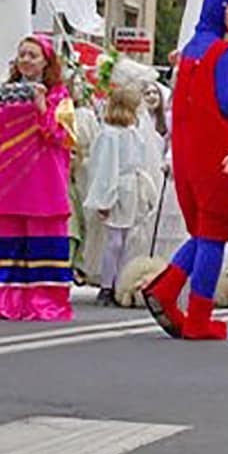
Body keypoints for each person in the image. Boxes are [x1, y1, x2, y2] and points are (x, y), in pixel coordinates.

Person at [142, 0, 228, 341]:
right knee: (213, 237)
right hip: (221, 156)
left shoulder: (191, 50)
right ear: (218, 10)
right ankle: (198, 319)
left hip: (189, 156)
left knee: (202, 233)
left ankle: (165, 290)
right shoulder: (223, 52)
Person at [0, 35, 77, 321]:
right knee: (8, 240)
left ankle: (45, 300)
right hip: (8, 180)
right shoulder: (6, 95)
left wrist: (42, 107)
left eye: (33, 55)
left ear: (46, 62)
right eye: (22, 55)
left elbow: (63, 137)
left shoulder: (59, 98)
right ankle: (6, 301)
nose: (26, 60)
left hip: (43, 180)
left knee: (43, 242)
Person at [83, 85, 156, 307]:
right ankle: (107, 285)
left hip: (131, 187)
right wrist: (105, 198)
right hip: (118, 188)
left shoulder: (132, 133)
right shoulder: (109, 135)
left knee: (127, 240)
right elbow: (105, 168)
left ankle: (120, 283)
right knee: (114, 240)